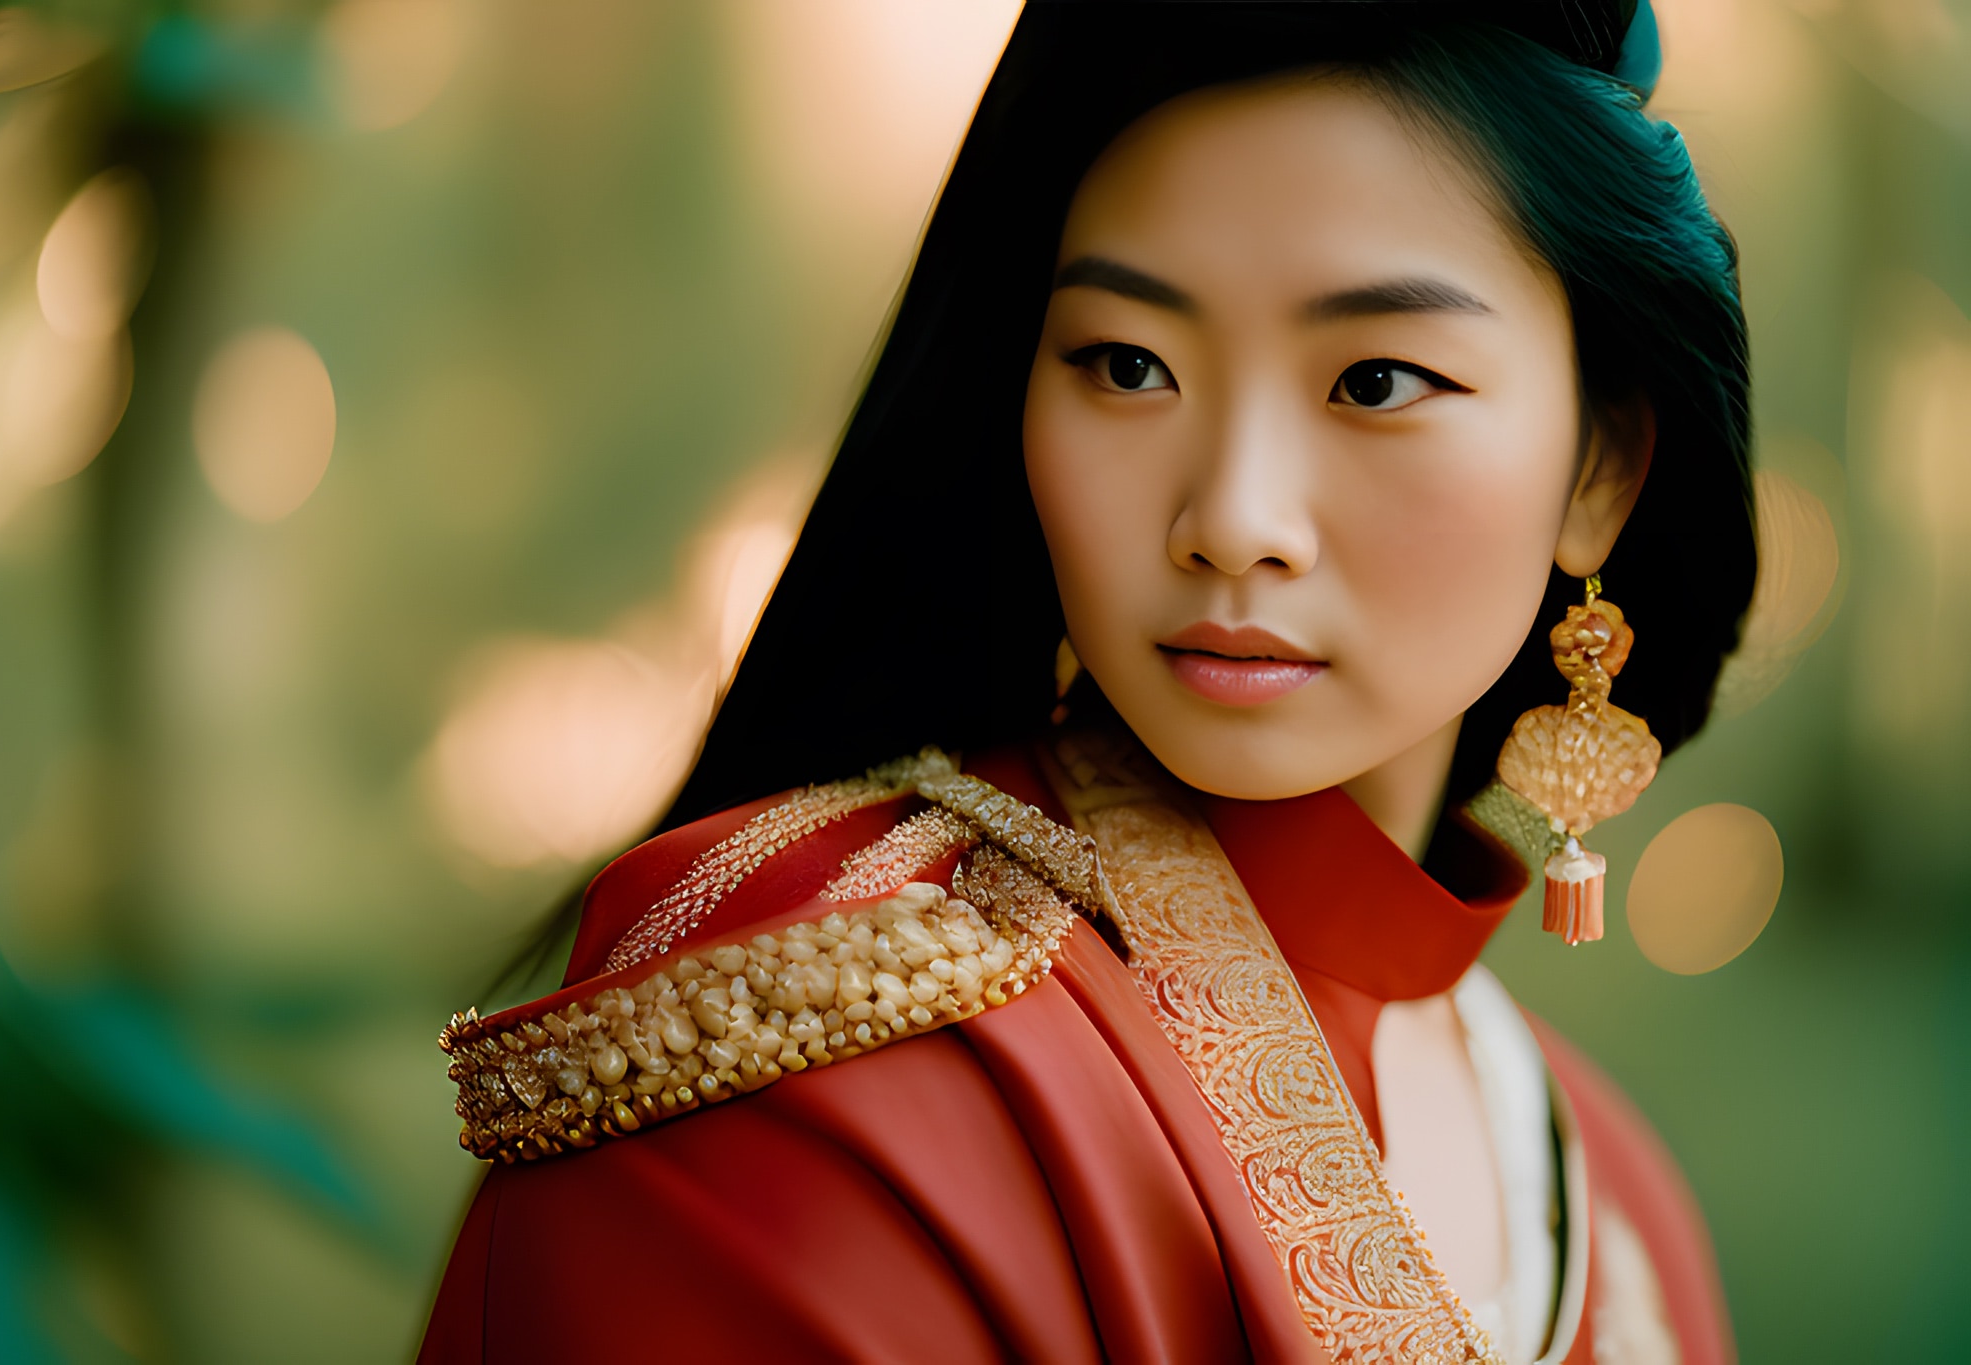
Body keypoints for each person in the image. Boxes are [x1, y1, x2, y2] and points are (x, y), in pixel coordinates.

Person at [419, 3, 1753, 1361]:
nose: (1232, 518)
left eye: (1375, 378)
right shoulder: (822, 1076)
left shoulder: (1616, 1206)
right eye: (1127, 366)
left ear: (1599, 470)